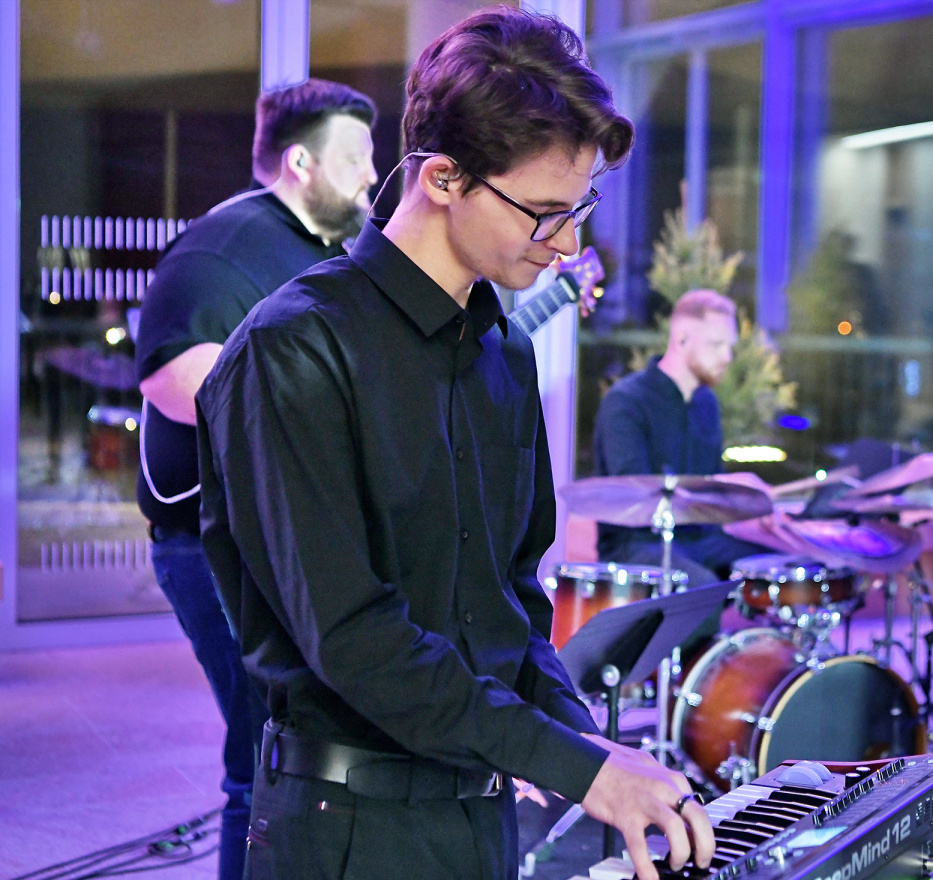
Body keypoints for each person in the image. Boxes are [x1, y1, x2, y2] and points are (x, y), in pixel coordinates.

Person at [194, 8, 714, 880]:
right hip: (347, 826)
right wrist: (579, 768)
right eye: (545, 214)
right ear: (442, 178)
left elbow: (510, 604)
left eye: (578, 210)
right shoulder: (292, 348)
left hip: (480, 811)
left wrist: (589, 746)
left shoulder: (505, 349)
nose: (569, 244)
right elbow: (355, 639)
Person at [134, 79, 378, 880]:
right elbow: (173, 377)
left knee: (288, 747)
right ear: (301, 163)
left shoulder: (329, 256)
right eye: (355, 157)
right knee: (263, 755)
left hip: (276, 545)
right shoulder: (223, 245)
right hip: (214, 546)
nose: (371, 175)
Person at [593, 289, 774, 588]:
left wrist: (749, 503)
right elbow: (637, 495)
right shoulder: (626, 402)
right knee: (702, 586)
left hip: (701, 539)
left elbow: (711, 483)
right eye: (716, 345)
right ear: (682, 338)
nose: (727, 357)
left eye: (729, 347)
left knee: (781, 566)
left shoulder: (706, 402)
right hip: (637, 545)